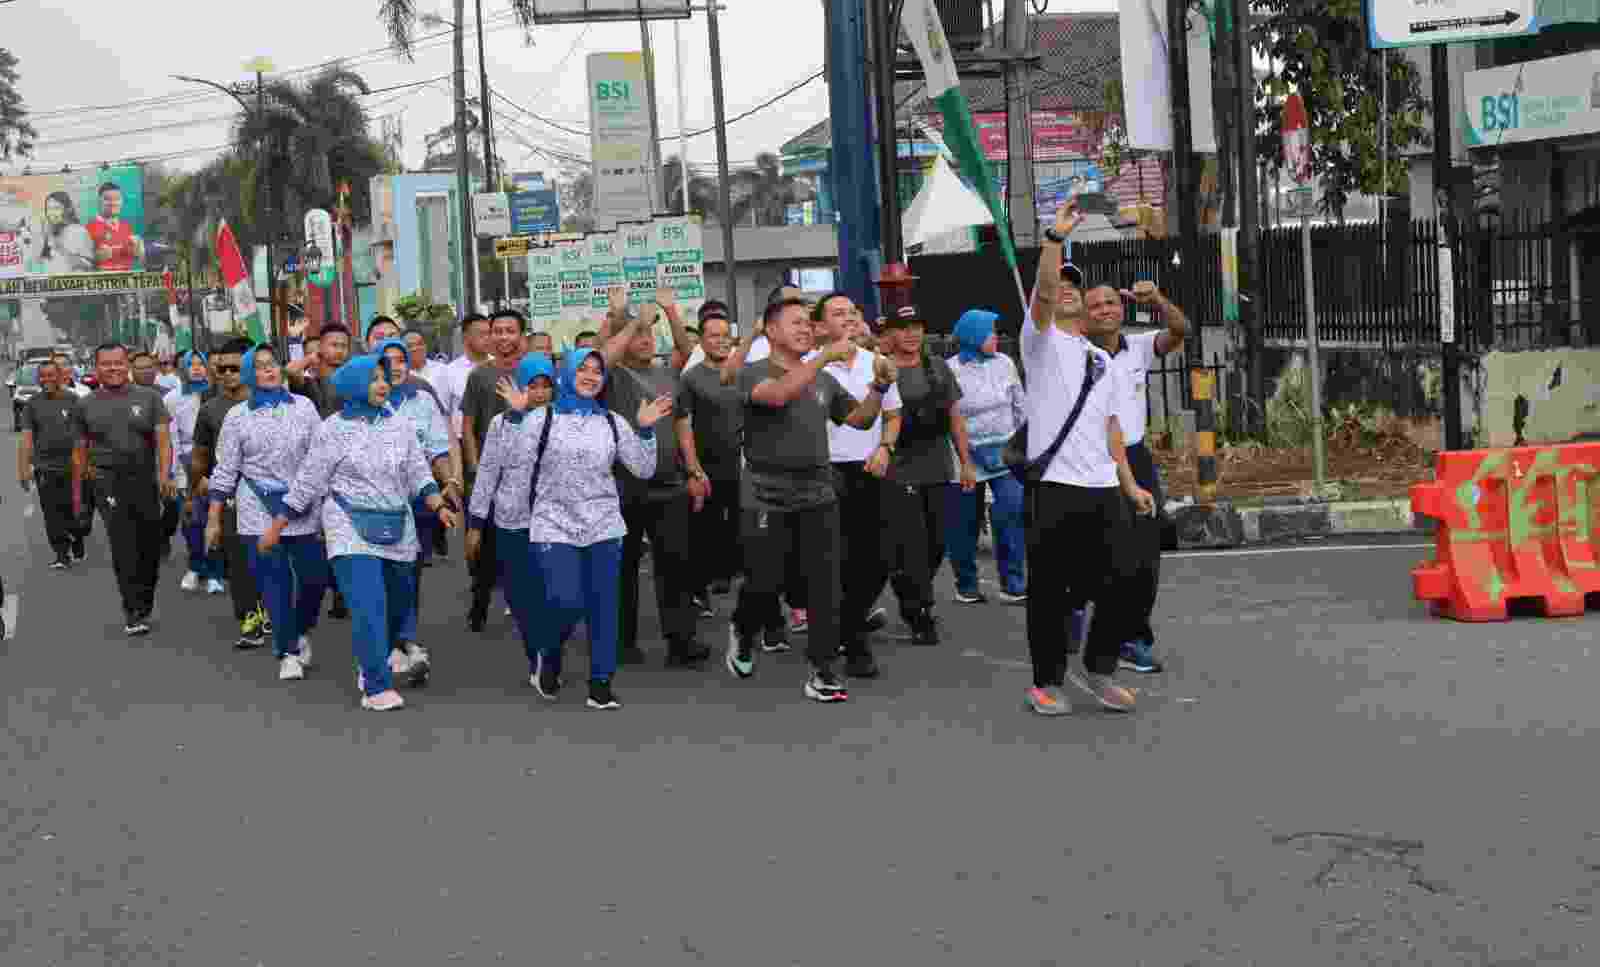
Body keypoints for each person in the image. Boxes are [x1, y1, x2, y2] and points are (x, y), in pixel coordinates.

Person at [725, 297, 898, 702]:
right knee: (767, 581)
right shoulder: (753, 373)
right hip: (766, 495)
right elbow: (779, 395)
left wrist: (881, 387)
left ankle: (823, 671)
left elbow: (860, 419)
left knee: (825, 583)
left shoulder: (823, 379)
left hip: (818, 492)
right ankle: (744, 626)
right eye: (795, 323)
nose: (805, 329)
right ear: (771, 331)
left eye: (808, 323)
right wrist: (823, 356)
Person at [1018, 202, 1154, 717]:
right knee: (1050, 591)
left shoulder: (1103, 360)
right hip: (1054, 487)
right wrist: (1055, 237)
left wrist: (1129, 483)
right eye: (1062, 286)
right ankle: (1045, 682)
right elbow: (1046, 291)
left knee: (1126, 578)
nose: (1068, 290)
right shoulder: (1040, 343)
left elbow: (1112, 427)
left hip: (1102, 487)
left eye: (1077, 284)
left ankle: (1098, 669)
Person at [266, 353, 457, 711]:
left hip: (397, 526)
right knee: (368, 603)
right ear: (355, 385)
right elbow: (308, 481)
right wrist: (278, 525)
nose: (383, 384)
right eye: (374, 379)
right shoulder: (332, 429)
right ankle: (376, 686)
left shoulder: (399, 424)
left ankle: (376, 661)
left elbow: (418, 472)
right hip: (348, 526)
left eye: (385, 378)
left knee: (398, 607)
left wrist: (439, 505)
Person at [481, 348, 671, 710]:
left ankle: (601, 683)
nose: (590, 376)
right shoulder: (544, 418)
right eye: (582, 369)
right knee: (564, 601)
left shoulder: (613, 421)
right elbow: (515, 462)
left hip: (603, 525)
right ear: (567, 374)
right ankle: (549, 658)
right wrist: (517, 416)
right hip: (553, 523)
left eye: (597, 371)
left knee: (603, 606)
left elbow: (643, 469)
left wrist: (646, 430)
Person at [205, 345, 331, 682]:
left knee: (315, 579)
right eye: (260, 367)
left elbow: (321, 455)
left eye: (273, 364)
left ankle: (300, 629)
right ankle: (287, 651)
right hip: (256, 509)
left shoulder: (304, 407)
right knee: (274, 584)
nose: (270, 371)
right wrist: (214, 517)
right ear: (251, 374)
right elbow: (225, 470)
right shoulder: (237, 417)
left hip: (303, 505)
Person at [1083, 277, 1188, 675]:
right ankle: (1079, 610)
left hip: (1134, 455)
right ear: (1083, 315)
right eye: (1096, 305)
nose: (1105, 310)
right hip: (1089, 460)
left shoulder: (1139, 347)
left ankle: (1132, 638)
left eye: (1111, 302)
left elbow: (1180, 331)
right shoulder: (1075, 353)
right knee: (1094, 551)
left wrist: (1159, 299)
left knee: (1144, 554)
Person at [599, 289, 708, 668]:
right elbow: (602, 356)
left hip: (669, 485)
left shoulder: (667, 374)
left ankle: (682, 641)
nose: (645, 340)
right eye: (638, 334)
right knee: (622, 568)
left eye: (650, 333)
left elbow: (682, 424)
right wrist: (628, 320)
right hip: (621, 486)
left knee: (676, 565)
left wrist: (693, 468)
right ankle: (621, 643)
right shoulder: (610, 375)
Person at [804, 293, 901, 675]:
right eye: (837, 313)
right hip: (824, 474)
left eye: (851, 312)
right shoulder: (809, 368)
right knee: (834, 561)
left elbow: (892, 415)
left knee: (877, 559)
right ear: (819, 326)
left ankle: (849, 621)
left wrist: (886, 448)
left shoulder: (877, 364)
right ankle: (851, 640)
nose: (846, 318)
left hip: (870, 469)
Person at [875, 305, 976, 646]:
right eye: (903, 327)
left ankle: (910, 586)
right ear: (890, 333)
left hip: (936, 466)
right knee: (912, 544)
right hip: (897, 469)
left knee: (935, 544)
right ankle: (919, 611)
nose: (911, 333)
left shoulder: (938, 368)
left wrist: (965, 462)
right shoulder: (881, 369)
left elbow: (955, 419)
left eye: (916, 326)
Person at [463, 353, 557, 683]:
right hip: (510, 520)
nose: (540, 393)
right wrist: (475, 524)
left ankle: (548, 652)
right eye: (533, 385)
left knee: (551, 594)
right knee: (519, 595)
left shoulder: (561, 421)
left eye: (547, 385)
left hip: (552, 521)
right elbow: (489, 472)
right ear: (520, 386)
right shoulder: (501, 424)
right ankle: (538, 657)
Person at [72, 343, 174, 636]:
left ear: (126, 365)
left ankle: (144, 600)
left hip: (145, 480)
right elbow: (79, 451)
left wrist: (164, 475)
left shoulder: (149, 398)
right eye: (106, 364)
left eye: (118, 363)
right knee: (123, 543)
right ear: (97, 367)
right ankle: (132, 609)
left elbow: (164, 441)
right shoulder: (85, 405)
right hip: (108, 482)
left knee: (150, 546)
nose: (113, 369)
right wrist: (82, 491)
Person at [374, 338, 456, 683]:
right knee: (379, 575)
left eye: (400, 360)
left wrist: (449, 480)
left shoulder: (423, 401)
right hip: (374, 505)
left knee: (408, 574)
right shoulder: (366, 404)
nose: (394, 366)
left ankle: (404, 640)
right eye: (387, 360)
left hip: (417, 502)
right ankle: (388, 644)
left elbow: (437, 448)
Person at [191, 337, 271, 648]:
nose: (227, 374)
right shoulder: (210, 409)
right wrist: (199, 480)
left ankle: (270, 608)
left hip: (269, 496)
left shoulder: (275, 401)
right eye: (221, 368)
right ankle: (248, 617)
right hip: (229, 495)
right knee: (238, 559)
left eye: (235, 368)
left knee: (269, 556)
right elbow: (200, 452)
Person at [945, 309, 1028, 604]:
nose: (997, 336)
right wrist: (964, 456)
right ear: (974, 335)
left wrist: (1023, 445)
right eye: (990, 331)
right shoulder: (950, 370)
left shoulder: (1005, 363)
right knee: (964, 523)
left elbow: (1020, 405)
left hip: (1004, 454)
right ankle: (966, 584)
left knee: (1012, 512)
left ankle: (1013, 584)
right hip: (965, 456)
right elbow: (948, 418)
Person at [459, 309, 529, 630]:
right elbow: (469, 424)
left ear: (521, 336)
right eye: (497, 331)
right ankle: (480, 600)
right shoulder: (479, 375)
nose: (503, 337)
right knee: (483, 544)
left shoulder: (533, 373)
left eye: (509, 331)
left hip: (526, 473)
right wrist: (473, 467)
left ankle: (524, 604)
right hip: (488, 473)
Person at [674, 310, 744, 604]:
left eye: (726, 335)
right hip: (706, 465)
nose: (721, 341)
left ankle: (734, 577)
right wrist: (693, 467)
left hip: (743, 465)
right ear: (702, 341)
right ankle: (698, 590)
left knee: (741, 525)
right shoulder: (691, 378)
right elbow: (683, 423)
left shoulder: (744, 371)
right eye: (714, 335)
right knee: (703, 528)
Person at [17, 358, 88, 568]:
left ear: (60, 376)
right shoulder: (32, 404)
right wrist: (24, 469)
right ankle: (60, 554)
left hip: (72, 468)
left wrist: (83, 464)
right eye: (43, 376)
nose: (46, 379)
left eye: (51, 375)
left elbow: (82, 437)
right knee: (51, 513)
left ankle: (77, 538)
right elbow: (27, 438)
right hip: (45, 468)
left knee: (73, 512)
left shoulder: (73, 400)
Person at [166, 351, 224, 594]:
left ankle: (215, 572)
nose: (198, 369)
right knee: (192, 520)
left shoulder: (217, 393)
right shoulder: (172, 399)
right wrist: (181, 474)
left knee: (215, 519)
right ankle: (195, 567)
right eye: (192, 365)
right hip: (185, 466)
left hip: (217, 463)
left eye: (202, 364)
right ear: (182, 369)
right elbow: (172, 439)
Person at [86, 182, 144, 272]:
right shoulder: (89, 228)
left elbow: (138, 259)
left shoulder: (127, 227)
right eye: (107, 199)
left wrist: (139, 251)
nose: (113, 203)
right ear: (99, 201)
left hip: (126, 283)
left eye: (117, 199)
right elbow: (82, 264)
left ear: (122, 201)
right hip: (101, 283)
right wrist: (95, 258)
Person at [36, 191, 94, 274]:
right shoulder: (49, 233)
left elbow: (88, 265)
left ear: (68, 210)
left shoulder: (78, 231)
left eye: (56, 208)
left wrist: (60, 248)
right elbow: (42, 262)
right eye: (48, 208)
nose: (51, 213)